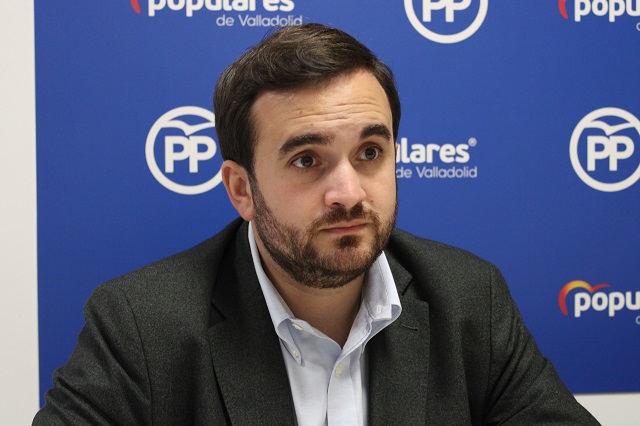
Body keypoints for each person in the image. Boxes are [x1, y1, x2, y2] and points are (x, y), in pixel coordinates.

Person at [34, 23, 600, 425]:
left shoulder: (468, 298)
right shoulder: (141, 325)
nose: (348, 193)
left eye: (370, 152)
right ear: (241, 189)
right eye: (307, 160)